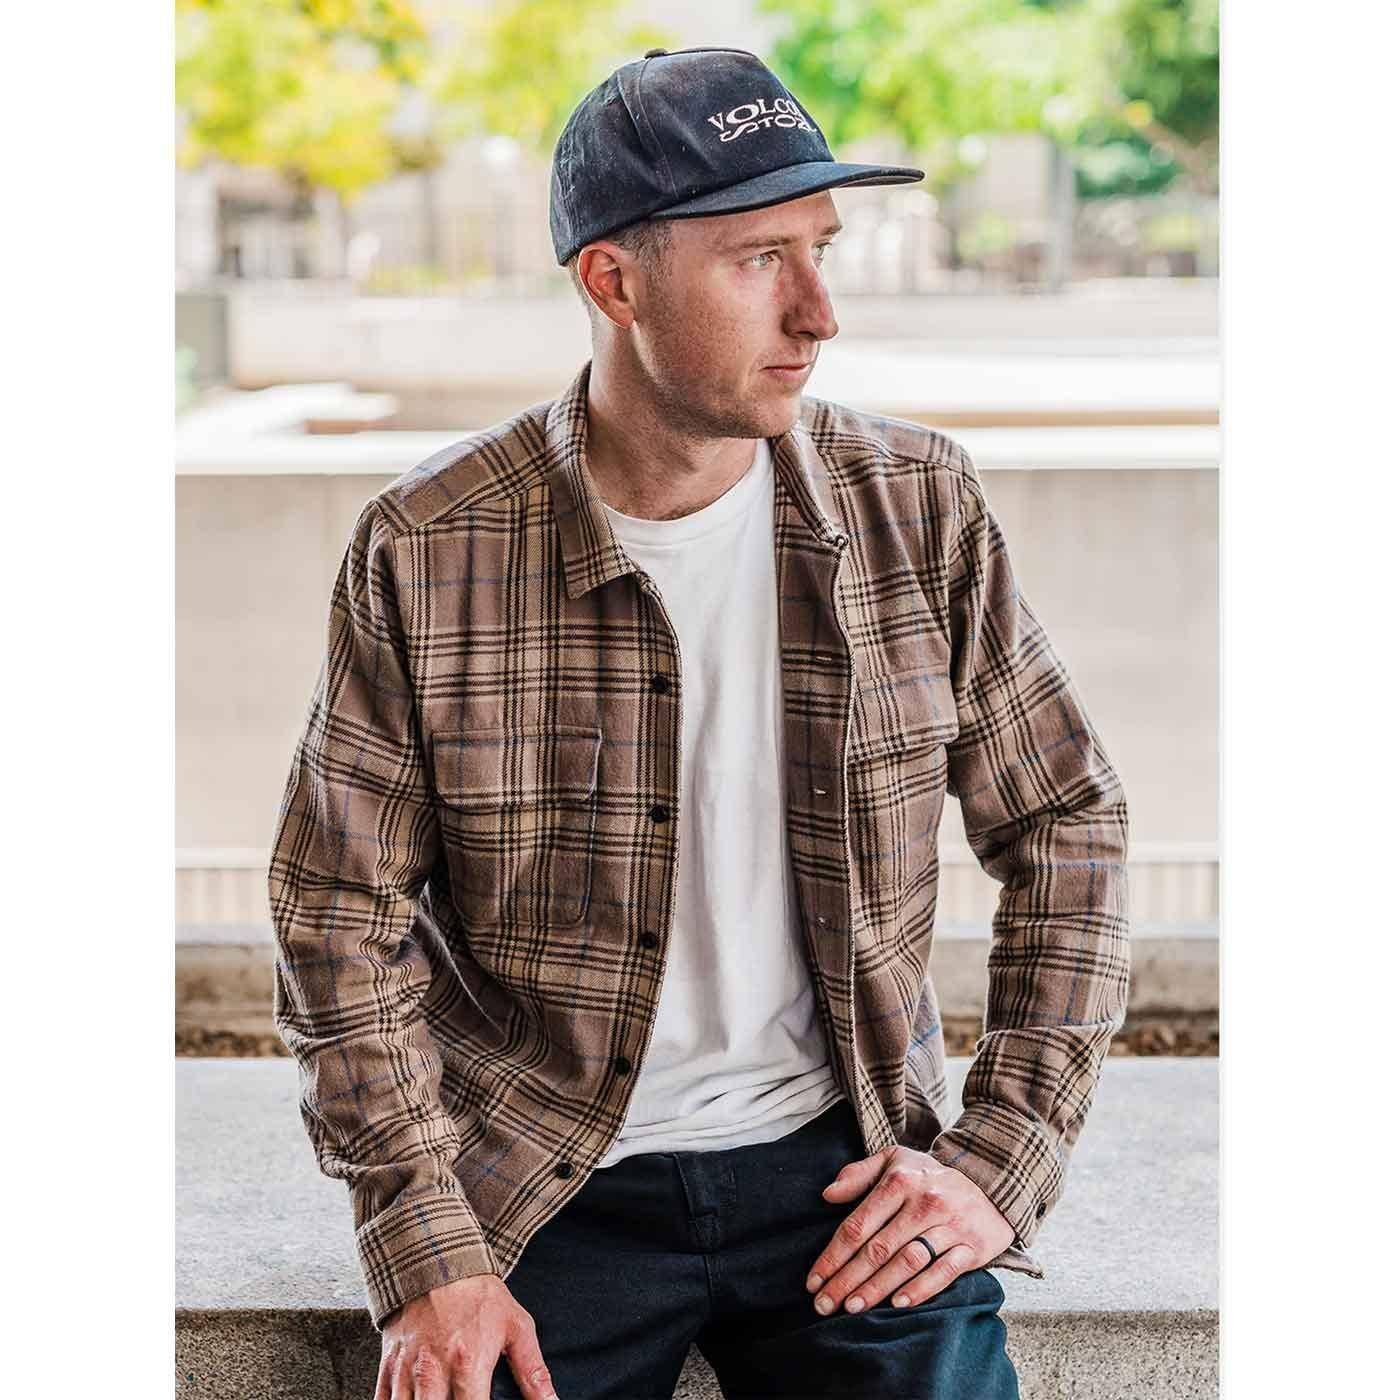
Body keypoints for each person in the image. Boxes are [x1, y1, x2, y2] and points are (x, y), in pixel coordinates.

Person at [268, 45, 1131, 1400]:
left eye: (821, 248)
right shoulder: (430, 546)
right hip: (542, 1179)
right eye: (759, 259)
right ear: (613, 281)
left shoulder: (917, 505)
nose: (819, 312)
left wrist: (998, 1156)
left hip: (842, 1164)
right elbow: (335, 910)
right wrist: (425, 1247)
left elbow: (1066, 819)